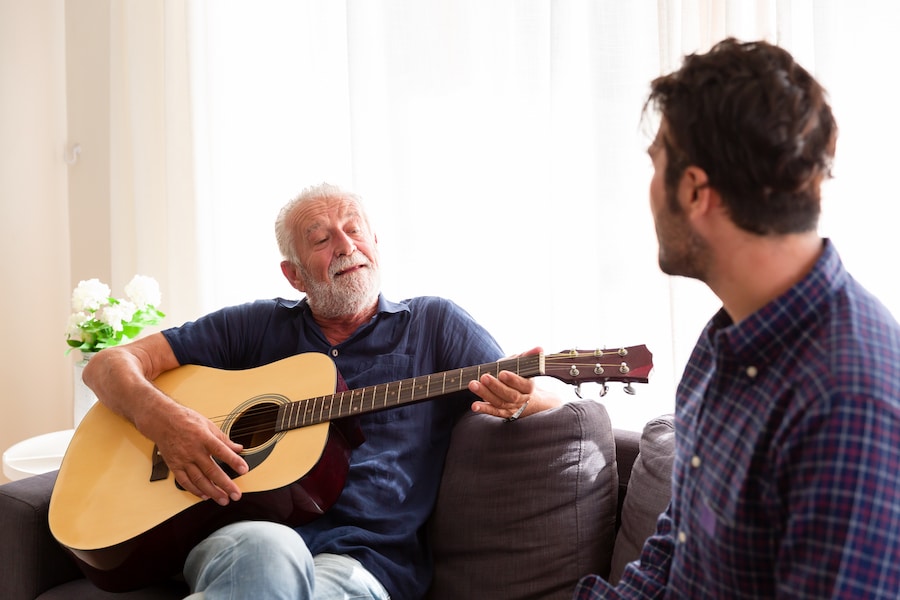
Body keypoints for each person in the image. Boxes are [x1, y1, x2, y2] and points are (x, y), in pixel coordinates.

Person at [83, 182, 560, 600]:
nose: (345, 245)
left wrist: (523, 401)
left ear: (376, 243)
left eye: (355, 231)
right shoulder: (254, 327)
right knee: (272, 550)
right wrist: (165, 421)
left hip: (361, 565)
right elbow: (108, 365)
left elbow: (543, 398)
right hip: (245, 539)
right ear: (294, 275)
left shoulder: (434, 325)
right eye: (321, 238)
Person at [575, 38, 900, 599]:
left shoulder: (850, 402)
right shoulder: (727, 336)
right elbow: (675, 548)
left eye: (656, 165)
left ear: (696, 190)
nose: (649, 192)